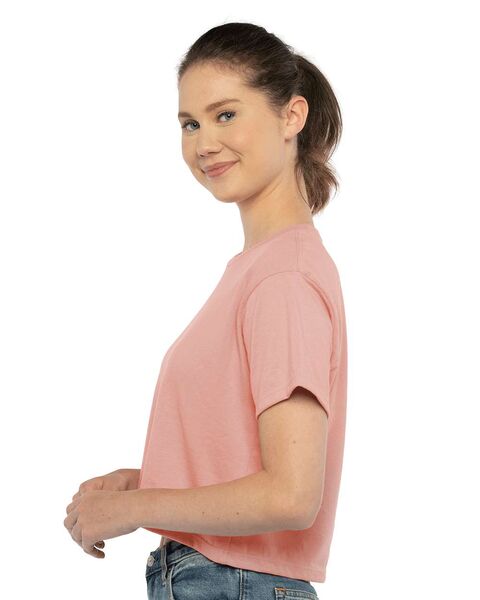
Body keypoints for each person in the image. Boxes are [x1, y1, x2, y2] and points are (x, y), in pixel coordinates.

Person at [64, 21, 347, 599]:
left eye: (226, 115)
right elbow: (254, 470)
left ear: (292, 116)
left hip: (233, 582)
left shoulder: (283, 278)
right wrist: (141, 484)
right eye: (190, 124)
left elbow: (291, 495)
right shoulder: (262, 269)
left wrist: (139, 507)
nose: (203, 143)